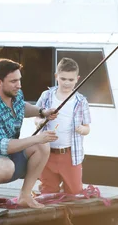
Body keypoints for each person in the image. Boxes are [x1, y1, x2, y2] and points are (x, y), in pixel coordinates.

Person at [0, 58, 58, 209]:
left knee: (42, 146)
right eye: (13, 81)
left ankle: (25, 196)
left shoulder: (16, 94)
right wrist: (37, 138)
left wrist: (42, 112)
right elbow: (5, 146)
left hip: (8, 158)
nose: (19, 85)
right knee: (6, 167)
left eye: (19, 80)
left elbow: (22, 107)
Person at [35, 57, 91, 195]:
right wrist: (41, 121)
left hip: (70, 155)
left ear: (77, 79)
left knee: (74, 192)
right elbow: (36, 117)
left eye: (71, 80)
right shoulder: (46, 96)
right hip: (47, 153)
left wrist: (82, 129)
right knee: (48, 191)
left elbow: (87, 128)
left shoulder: (81, 101)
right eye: (63, 79)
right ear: (56, 77)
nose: (66, 83)